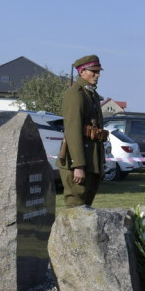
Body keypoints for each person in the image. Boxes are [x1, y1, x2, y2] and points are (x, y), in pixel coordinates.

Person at [57, 54, 107, 208]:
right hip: (79, 163)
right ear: (82, 72)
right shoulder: (75, 95)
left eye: (98, 71)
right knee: (76, 209)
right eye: (93, 71)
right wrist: (78, 165)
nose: (97, 75)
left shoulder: (91, 95)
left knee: (85, 209)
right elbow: (73, 132)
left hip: (91, 161)